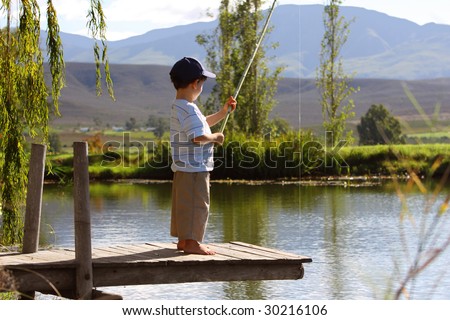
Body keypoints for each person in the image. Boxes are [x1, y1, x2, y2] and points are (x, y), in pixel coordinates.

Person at [169, 57, 236, 255]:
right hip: (195, 168)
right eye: (201, 84)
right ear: (195, 83)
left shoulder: (179, 106)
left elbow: (202, 123)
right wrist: (216, 137)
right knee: (198, 205)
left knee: (183, 204)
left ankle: (184, 240)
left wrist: (223, 113)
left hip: (183, 167)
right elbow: (198, 136)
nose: (201, 88)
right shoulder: (189, 108)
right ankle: (192, 242)